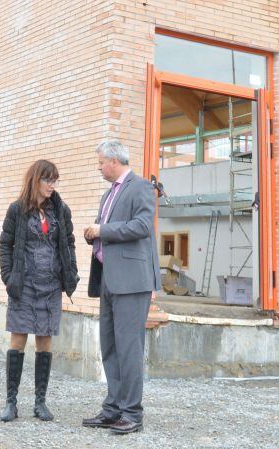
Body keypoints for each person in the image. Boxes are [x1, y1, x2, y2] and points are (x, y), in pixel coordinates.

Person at [81, 140, 160, 435]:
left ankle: (132, 414)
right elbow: (110, 231)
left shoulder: (140, 187)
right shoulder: (108, 195)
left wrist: (103, 230)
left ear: (114, 160)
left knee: (128, 349)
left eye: (101, 162)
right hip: (108, 279)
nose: (99, 167)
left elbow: (142, 226)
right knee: (110, 347)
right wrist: (94, 235)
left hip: (131, 282)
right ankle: (113, 409)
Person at [0, 159, 79, 422]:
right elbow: (5, 245)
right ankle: (11, 402)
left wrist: (71, 272)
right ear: (36, 181)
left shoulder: (60, 210)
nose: (52, 185)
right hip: (24, 285)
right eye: (48, 180)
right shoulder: (17, 210)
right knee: (18, 340)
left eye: (55, 180)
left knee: (45, 341)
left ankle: (40, 402)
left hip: (50, 286)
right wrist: (9, 278)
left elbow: (68, 242)